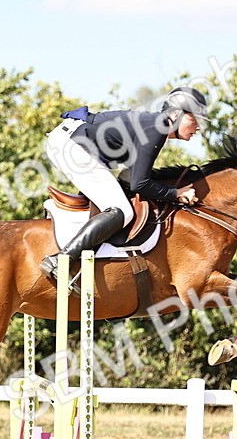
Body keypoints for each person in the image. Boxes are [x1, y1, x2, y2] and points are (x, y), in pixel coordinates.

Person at [40, 86, 208, 290]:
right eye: (194, 119)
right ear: (175, 114)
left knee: (116, 201)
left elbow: (130, 178)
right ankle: (61, 260)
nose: (198, 127)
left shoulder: (155, 127)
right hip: (71, 145)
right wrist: (176, 193)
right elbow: (140, 184)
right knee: (121, 211)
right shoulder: (157, 128)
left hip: (73, 141)